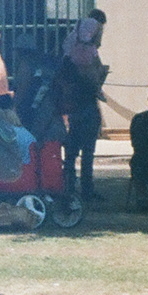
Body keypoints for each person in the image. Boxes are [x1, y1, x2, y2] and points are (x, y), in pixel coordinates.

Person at [56, 10, 109, 203]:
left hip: (75, 108)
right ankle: (87, 189)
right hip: (89, 107)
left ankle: (68, 186)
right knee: (88, 152)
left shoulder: (70, 52)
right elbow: (96, 81)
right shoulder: (91, 55)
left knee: (71, 151)